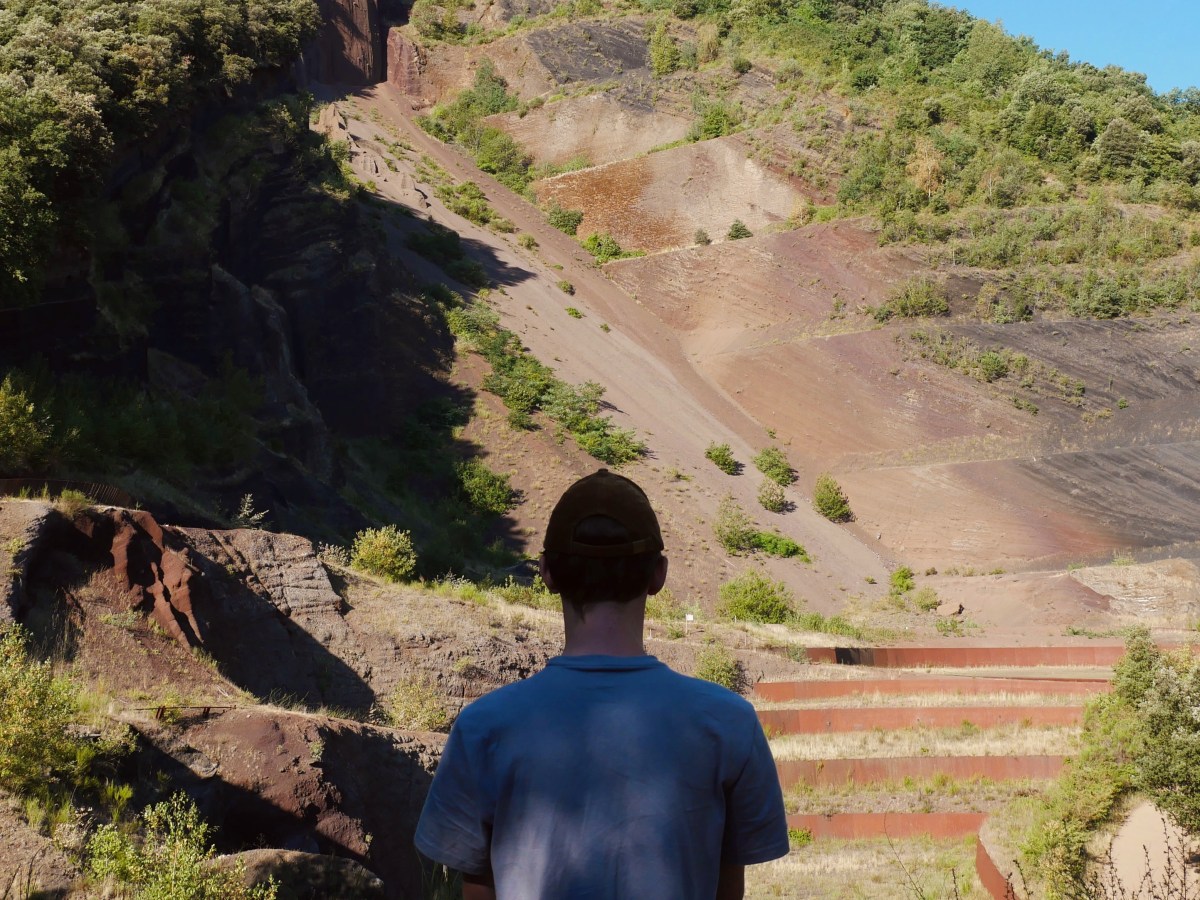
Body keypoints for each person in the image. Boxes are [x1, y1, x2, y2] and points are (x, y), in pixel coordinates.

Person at [414, 468, 789, 899]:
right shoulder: (729, 723)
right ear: (658, 576)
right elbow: (728, 890)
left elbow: (477, 889)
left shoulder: (483, 728)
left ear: (547, 572)